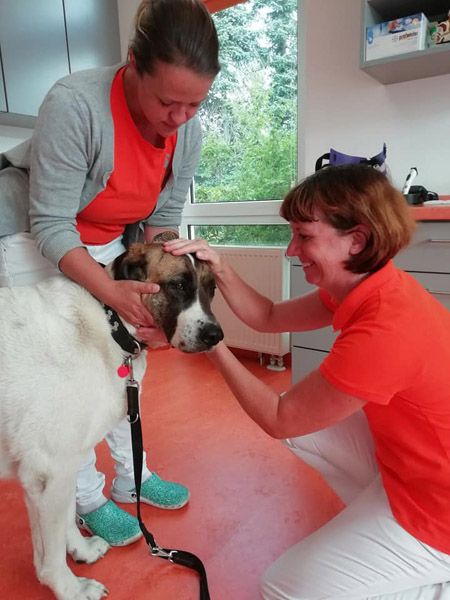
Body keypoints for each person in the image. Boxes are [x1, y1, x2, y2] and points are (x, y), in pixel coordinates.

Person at [164, 164, 450, 599]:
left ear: (357, 240)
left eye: (304, 236)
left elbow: (279, 419)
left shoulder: (386, 328)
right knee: (305, 430)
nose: (290, 250)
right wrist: (219, 267)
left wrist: (208, 341)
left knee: (283, 587)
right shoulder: (369, 285)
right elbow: (268, 316)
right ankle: (378, 527)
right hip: (417, 469)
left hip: (440, 510)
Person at [0, 0, 219, 547]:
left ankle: (133, 474)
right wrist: (112, 294)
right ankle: (85, 496)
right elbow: (51, 224)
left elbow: (163, 223)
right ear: (133, 65)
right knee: (66, 379)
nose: (180, 118)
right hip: (33, 235)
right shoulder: (75, 104)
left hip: (108, 237)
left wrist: (159, 287)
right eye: (167, 102)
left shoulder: (186, 129)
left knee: (125, 358)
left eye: (195, 104)